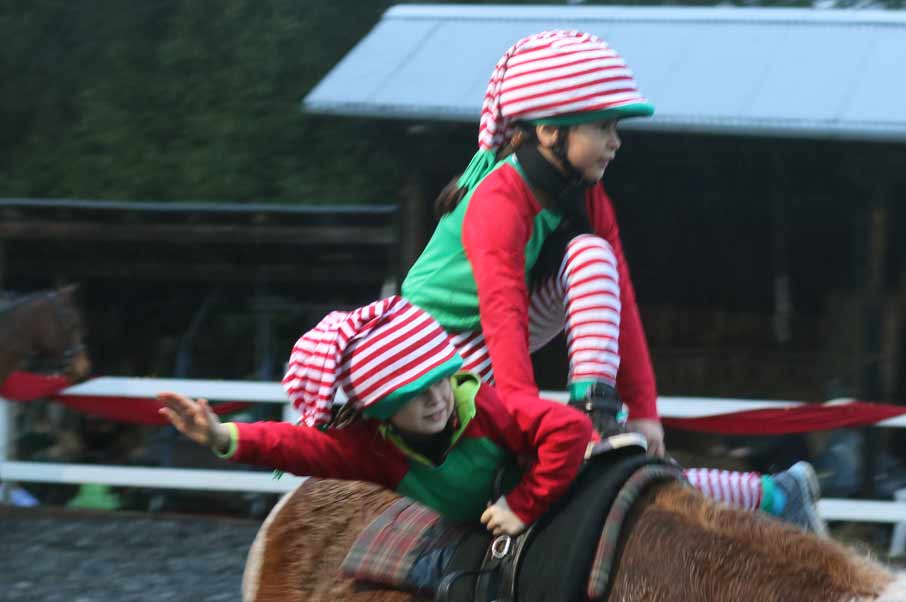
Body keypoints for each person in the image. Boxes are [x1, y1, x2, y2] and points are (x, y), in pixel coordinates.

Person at [399, 29, 823, 536]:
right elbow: (502, 315)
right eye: (603, 127)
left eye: (616, 127)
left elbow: (622, 302)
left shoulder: (589, 197)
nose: (616, 141)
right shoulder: (497, 201)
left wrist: (643, 412)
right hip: (433, 348)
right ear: (550, 131)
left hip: (496, 333)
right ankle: (772, 495)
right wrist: (528, 426)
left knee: (593, 257)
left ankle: (600, 410)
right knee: (539, 473)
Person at [158, 297, 591, 536]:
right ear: (381, 411)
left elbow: (571, 427)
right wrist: (220, 436)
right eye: (415, 395)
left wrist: (523, 504)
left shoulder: (487, 406)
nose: (437, 400)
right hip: (472, 527)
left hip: (548, 501)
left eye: (440, 381)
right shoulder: (372, 448)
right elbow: (299, 446)